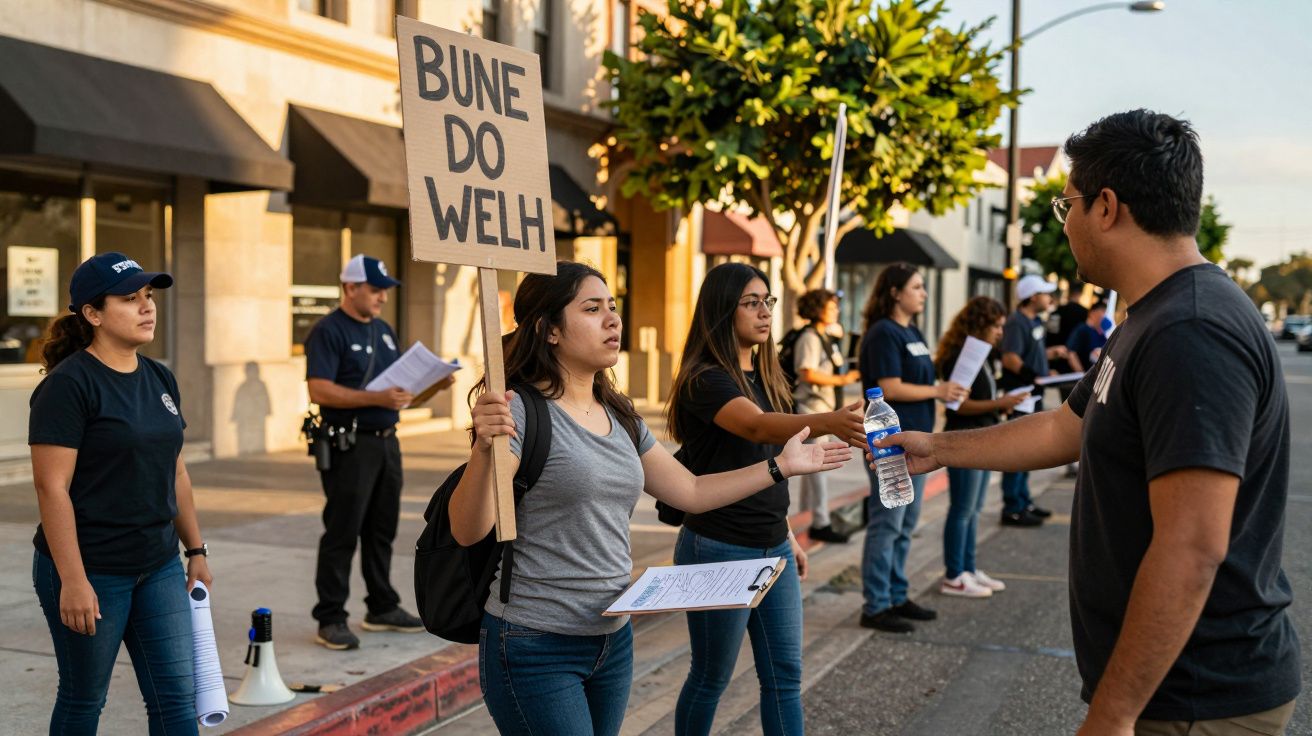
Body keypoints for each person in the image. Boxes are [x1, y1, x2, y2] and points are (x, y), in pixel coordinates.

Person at [873, 110, 1300, 734]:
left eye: (1066, 204)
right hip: (1173, 695)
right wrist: (938, 447)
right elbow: (1061, 429)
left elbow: (1192, 546)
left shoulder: (1192, 329)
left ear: (1106, 206)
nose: (1065, 223)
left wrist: (1114, 715)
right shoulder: (1147, 321)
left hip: (1196, 700)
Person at [449, 261, 851, 736]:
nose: (613, 320)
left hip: (612, 640)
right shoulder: (519, 413)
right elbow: (468, 529)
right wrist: (483, 449)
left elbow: (693, 491)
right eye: (592, 309)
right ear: (549, 330)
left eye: (613, 307)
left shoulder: (620, 414)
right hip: (535, 641)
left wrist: (780, 466)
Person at [666, 264, 865, 735]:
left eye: (768, 301)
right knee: (712, 677)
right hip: (717, 546)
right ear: (722, 309)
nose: (765, 311)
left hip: (771, 545)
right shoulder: (706, 379)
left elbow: (772, 463)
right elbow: (755, 427)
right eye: (751, 302)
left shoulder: (769, 373)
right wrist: (828, 421)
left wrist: (787, 534)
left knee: (784, 676)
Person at [29, 252, 210, 734]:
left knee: (177, 697)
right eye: (130, 299)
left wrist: (195, 549)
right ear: (92, 313)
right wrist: (73, 580)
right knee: (85, 697)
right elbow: (52, 488)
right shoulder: (69, 386)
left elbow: (175, 472)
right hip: (92, 568)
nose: (147, 307)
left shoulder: (159, 378)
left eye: (148, 297)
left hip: (157, 564)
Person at [304, 254, 447, 650]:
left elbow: (398, 395)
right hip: (351, 444)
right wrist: (376, 396)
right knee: (343, 531)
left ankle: (381, 606)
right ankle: (330, 617)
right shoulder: (328, 331)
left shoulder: (383, 330)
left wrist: (432, 386)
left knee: (382, 529)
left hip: (387, 440)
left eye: (386, 289)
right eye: (376, 288)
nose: (383, 296)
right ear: (350, 288)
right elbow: (319, 389)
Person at [857, 263, 968, 633]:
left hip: (916, 442)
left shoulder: (912, 330)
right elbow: (889, 387)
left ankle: (896, 594)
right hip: (890, 446)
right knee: (887, 524)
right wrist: (938, 391)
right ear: (895, 292)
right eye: (917, 287)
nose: (923, 293)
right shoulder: (882, 333)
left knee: (905, 524)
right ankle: (876, 603)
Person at [933, 296, 1027, 599]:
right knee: (962, 509)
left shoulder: (982, 353)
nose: (1001, 332)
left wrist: (1000, 406)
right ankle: (954, 574)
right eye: (996, 326)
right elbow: (957, 404)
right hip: (964, 437)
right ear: (979, 324)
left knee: (973, 509)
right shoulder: (963, 354)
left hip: (981, 435)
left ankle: (968, 568)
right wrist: (1000, 403)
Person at [791, 288, 863, 543]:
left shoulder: (824, 336)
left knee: (814, 467)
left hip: (822, 409)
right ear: (816, 310)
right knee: (818, 465)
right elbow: (806, 373)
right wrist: (841, 379)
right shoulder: (810, 338)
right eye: (831, 307)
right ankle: (820, 522)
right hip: (811, 408)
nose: (837, 311)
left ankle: (806, 515)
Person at [997, 274, 1065, 526]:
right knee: (1017, 451)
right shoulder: (1016, 322)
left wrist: (1048, 362)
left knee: (1028, 452)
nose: (1050, 298)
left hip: (1033, 394)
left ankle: (1024, 501)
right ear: (1033, 297)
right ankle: (1012, 506)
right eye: (1046, 294)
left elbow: (1030, 353)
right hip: (1021, 397)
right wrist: (1036, 376)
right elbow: (1010, 358)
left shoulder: (1035, 320)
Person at [1065, 300, 1108, 373]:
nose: (1104, 315)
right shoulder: (1082, 329)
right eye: (1102, 311)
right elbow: (1071, 353)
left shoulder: (1101, 333)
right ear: (1092, 313)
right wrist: (1081, 374)